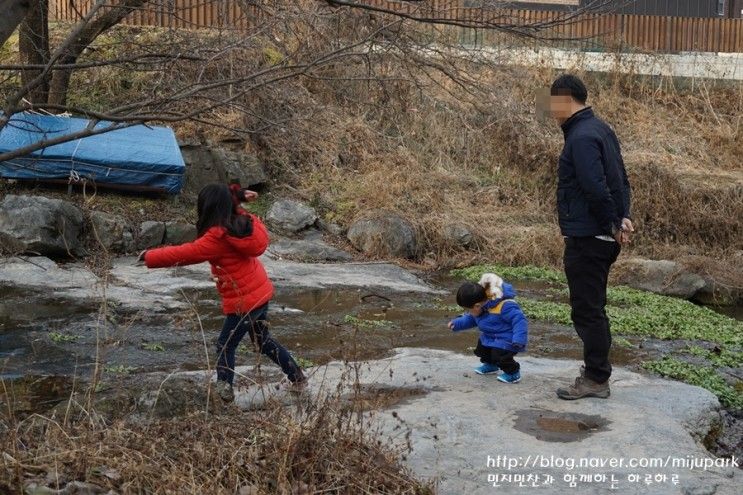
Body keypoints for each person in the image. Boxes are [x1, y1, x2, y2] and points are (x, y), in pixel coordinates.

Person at [141, 183, 306, 402]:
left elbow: (185, 253)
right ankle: (297, 377)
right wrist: (239, 197)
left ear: (207, 208)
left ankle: (224, 392)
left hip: (244, 302)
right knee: (263, 341)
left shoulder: (216, 237)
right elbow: (228, 201)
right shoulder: (241, 223)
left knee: (225, 345)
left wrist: (149, 256)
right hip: (259, 293)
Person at [548, 74, 633, 400]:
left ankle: (596, 378)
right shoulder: (601, 129)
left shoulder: (581, 137)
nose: (553, 111)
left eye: (554, 103)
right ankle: (595, 373)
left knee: (588, 310)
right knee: (592, 307)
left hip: (589, 236)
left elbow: (595, 187)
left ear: (565, 100)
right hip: (600, 234)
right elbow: (621, 179)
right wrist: (623, 216)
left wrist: (612, 223)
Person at [448, 273, 528, 384]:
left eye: (469, 310)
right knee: (482, 349)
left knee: (500, 355)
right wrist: (457, 324)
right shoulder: (481, 308)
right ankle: (491, 365)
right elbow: (471, 319)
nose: (469, 312)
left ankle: (513, 372)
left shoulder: (505, 306)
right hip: (490, 336)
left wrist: (519, 339)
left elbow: (519, 321)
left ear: (476, 305)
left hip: (506, 339)